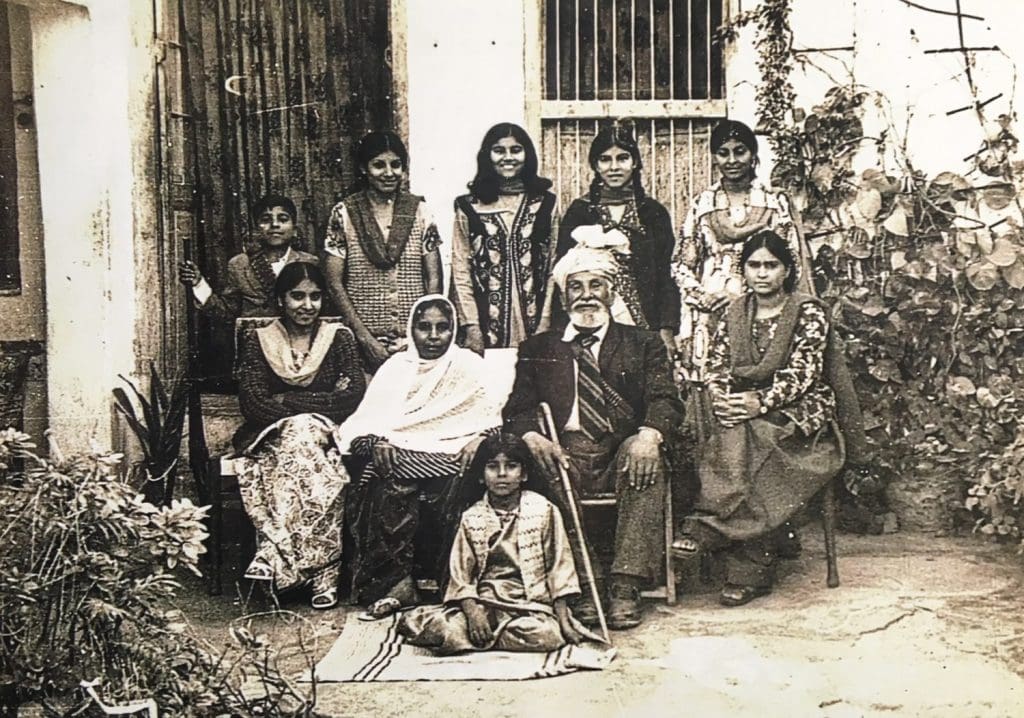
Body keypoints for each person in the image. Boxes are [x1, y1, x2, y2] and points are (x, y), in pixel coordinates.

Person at [502, 246, 684, 630]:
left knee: (646, 463)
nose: (586, 295)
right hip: (562, 449)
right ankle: (584, 584)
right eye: (576, 288)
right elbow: (517, 409)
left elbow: (665, 399)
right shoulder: (538, 348)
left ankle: (625, 585)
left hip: (621, 447)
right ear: (564, 297)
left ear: (613, 292)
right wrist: (533, 436)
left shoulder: (643, 342)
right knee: (543, 466)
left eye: (596, 285)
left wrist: (649, 435)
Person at [671, 230, 847, 607]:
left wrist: (758, 402)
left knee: (751, 438)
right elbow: (716, 366)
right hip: (741, 408)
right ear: (744, 269)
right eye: (754, 265)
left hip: (797, 414)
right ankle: (741, 554)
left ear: (787, 270)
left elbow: (804, 372)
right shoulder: (734, 311)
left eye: (772, 265)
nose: (762, 274)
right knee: (710, 426)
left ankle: (714, 532)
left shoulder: (807, 311)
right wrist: (721, 397)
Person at [336, 295, 503, 613]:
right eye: (424, 327)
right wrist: (376, 440)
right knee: (384, 475)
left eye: (442, 327)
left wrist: (479, 439)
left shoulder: (468, 366)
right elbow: (364, 425)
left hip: (455, 448)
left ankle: (454, 582)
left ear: (453, 329)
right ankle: (395, 583)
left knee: (461, 479)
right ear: (412, 330)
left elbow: (492, 420)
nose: (434, 336)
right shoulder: (397, 367)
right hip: (403, 448)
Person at [233, 261, 367, 609]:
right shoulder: (258, 339)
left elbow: (350, 397)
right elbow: (254, 405)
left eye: (315, 297)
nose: (307, 305)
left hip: (325, 434)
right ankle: (324, 571)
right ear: (281, 299)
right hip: (269, 436)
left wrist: (287, 399)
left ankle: (274, 555)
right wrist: (315, 403)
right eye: (297, 297)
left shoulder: (339, 339)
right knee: (302, 444)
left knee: (306, 436)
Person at [398, 433, 599, 655]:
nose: (502, 474)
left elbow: (560, 567)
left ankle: (485, 639)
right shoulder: (472, 517)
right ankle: (484, 632)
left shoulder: (544, 510)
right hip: (484, 601)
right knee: (447, 629)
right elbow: (460, 574)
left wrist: (563, 619)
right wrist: (473, 614)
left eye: (511, 466)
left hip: (528, 603)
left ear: (523, 474)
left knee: (546, 635)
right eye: (493, 467)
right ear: (482, 477)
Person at [673, 119, 815, 385]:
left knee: (754, 376)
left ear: (753, 155)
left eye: (740, 151)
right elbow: (681, 263)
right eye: (723, 153)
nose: (732, 160)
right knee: (706, 378)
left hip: (761, 301)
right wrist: (702, 296)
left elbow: (791, 260)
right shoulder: (703, 203)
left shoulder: (773, 203)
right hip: (708, 304)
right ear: (715, 157)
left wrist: (746, 295)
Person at [551, 122, 678, 356]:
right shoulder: (580, 212)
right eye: (605, 159)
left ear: (635, 162)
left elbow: (665, 275)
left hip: (645, 321)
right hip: (591, 322)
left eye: (622, 158)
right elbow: (564, 276)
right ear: (595, 165)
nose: (614, 167)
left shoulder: (653, 213)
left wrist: (667, 329)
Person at [323, 131, 443, 371]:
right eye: (379, 165)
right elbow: (333, 282)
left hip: (413, 343)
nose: (389, 173)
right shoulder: (345, 213)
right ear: (363, 169)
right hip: (363, 340)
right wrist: (365, 339)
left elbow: (434, 279)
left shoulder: (419, 211)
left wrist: (416, 337)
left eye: (396, 165)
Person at [449, 122, 559, 352]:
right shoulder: (468, 206)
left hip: (536, 323)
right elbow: (461, 270)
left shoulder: (546, 204)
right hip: (483, 326)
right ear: (487, 156)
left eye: (516, 150)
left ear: (527, 155)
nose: (508, 157)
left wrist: (546, 322)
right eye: (499, 150)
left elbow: (553, 268)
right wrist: (471, 326)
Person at [178, 193, 319, 319]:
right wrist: (198, 283)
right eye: (266, 219)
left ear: (294, 229)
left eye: (282, 219)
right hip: (255, 342)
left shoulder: (309, 262)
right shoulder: (240, 264)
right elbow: (226, 310)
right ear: (257, 228)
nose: (274, 225)